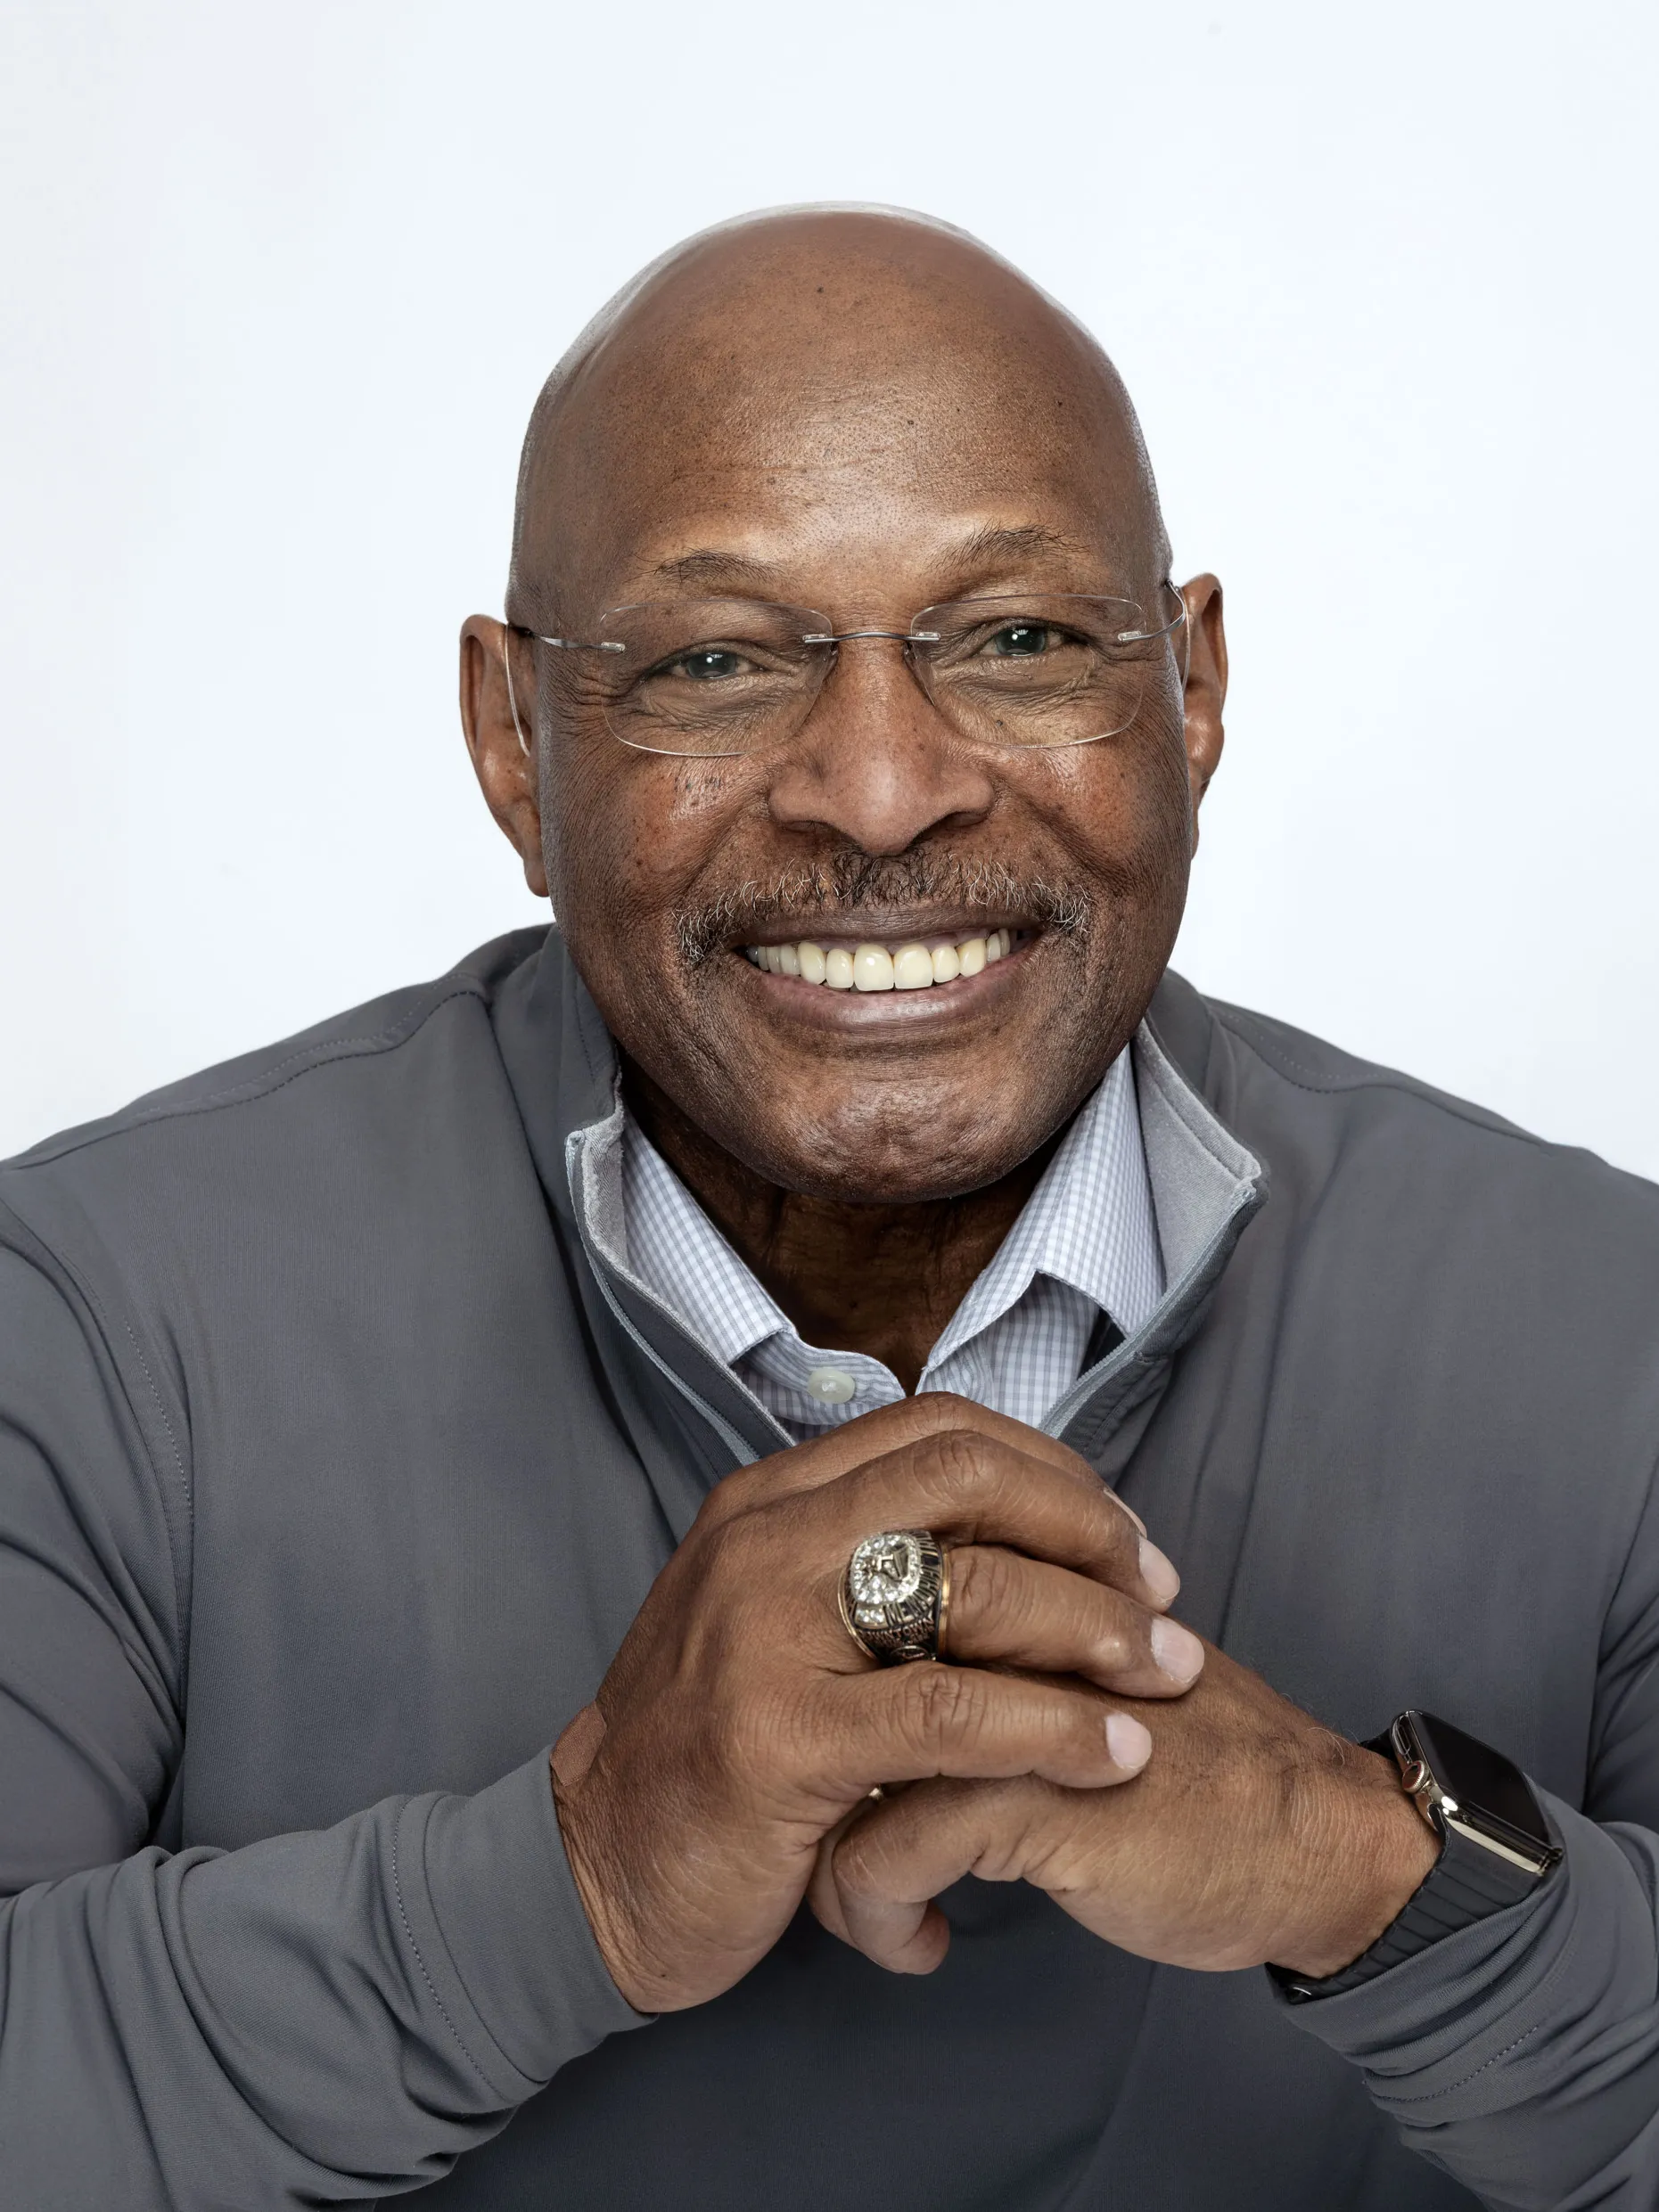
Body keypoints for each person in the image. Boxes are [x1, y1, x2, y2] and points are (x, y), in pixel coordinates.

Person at [2, 206, 1655, 2212]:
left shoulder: (1614, 1336)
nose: (881, 789)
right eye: (715, 660)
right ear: (513, 743)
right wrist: (575, 1873)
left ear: (1192, 690)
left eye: (1021, 636)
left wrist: (1369, 1870)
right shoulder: (86, 1316)